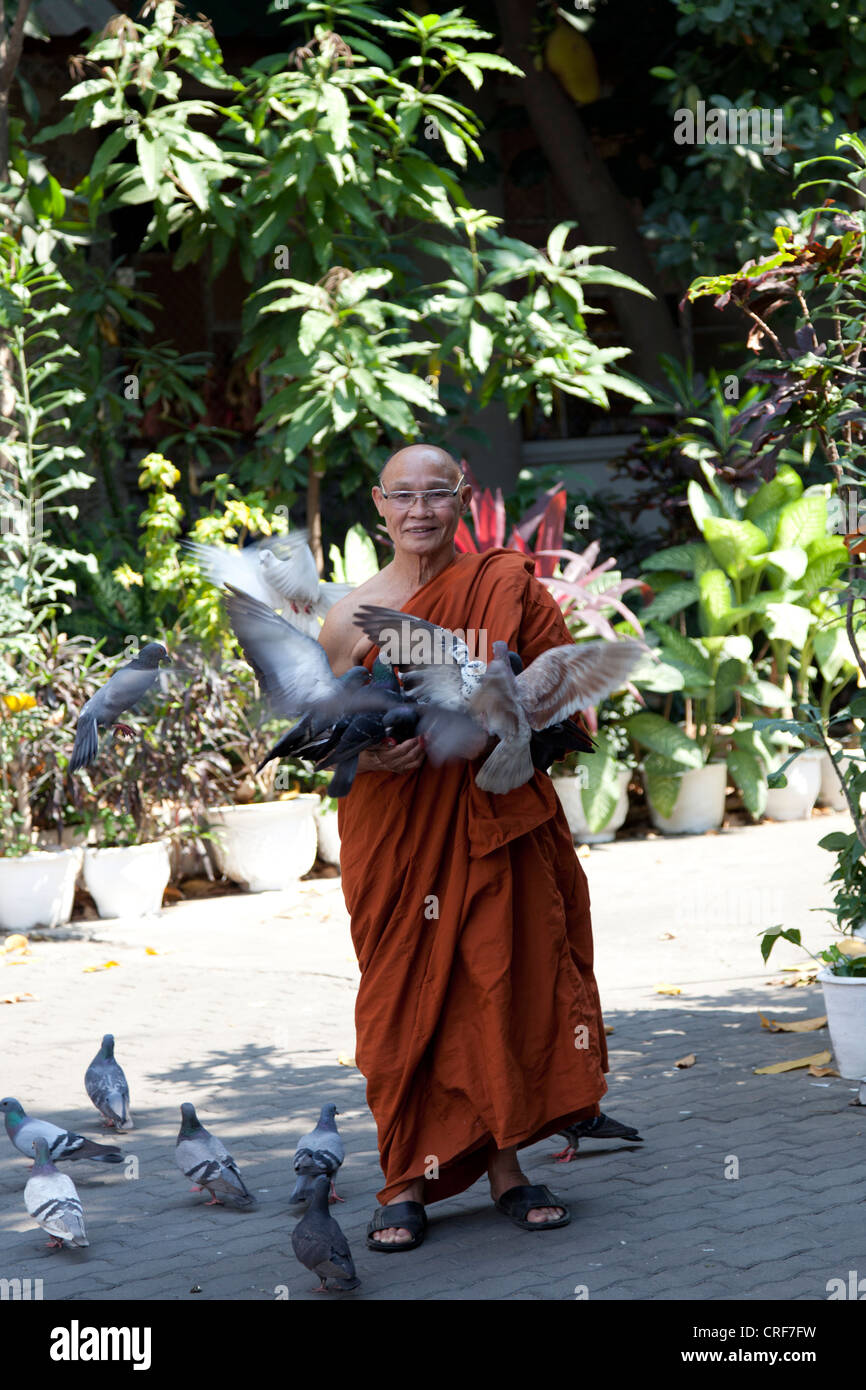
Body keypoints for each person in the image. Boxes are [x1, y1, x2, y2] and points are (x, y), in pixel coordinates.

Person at [318, 444, 609, 1249]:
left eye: (436, 494)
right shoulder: (349, 617)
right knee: (401, 1000)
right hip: (398, 833)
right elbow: (314, 735)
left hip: (494, 823)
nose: (419, 511)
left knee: (499, 983)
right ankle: (404, 1179)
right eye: (402, 496)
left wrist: (513, 722)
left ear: (461, 499)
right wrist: (368, 755)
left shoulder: (506, 586)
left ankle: (506, 1167)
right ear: (378, 504)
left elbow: (570, 712)